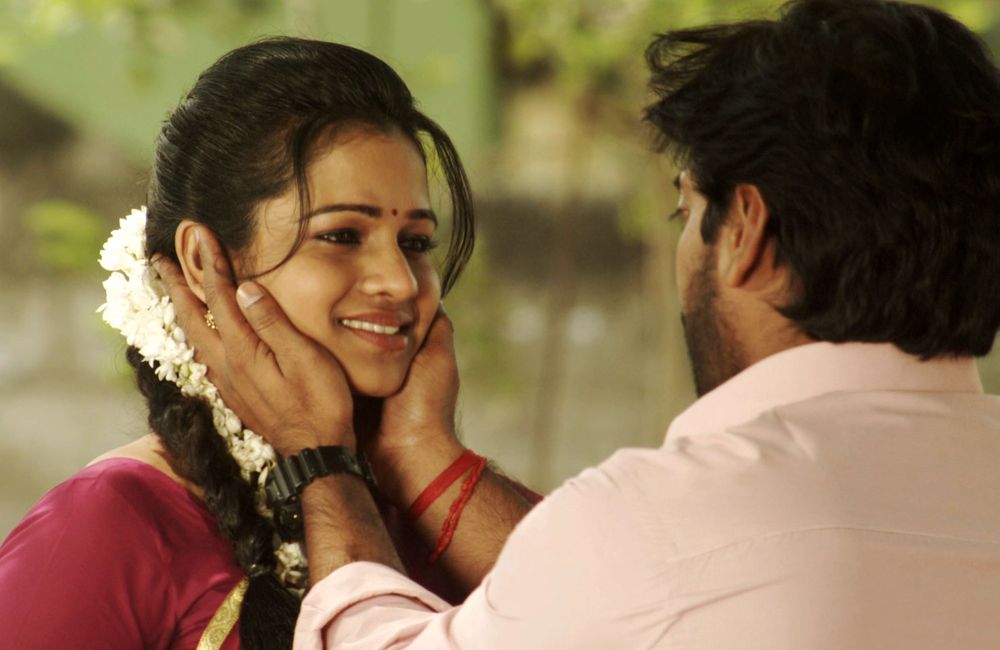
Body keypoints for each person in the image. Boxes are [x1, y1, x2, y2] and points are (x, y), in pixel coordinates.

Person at [160, 0, 1000, 648]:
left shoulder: (672, 522)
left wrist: (318, 461)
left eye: (685, 213)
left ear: (745, 229)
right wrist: (418, 453)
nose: (397, 284)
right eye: (342, 235)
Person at [0, 37, 539, 650]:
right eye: (341, 236)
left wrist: (421, 451)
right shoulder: (112, 525)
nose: (399, 282)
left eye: (415, 243)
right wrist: (320, 462)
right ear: (203, 262)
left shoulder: (439, 514)